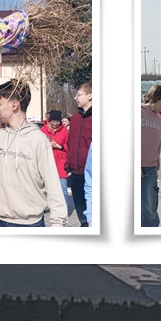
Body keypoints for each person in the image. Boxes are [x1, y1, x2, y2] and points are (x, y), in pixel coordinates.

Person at [0, 80, 67, 227]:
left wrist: (57, 223)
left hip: (30, 224)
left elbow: (53, 184)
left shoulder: (38, 139)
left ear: (14, 106)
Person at [141, 84, 161, 227]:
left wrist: (157, 160)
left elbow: (158, 140)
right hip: (139, 165)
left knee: (150, 204)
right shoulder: (139, 112)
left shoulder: (159, 118)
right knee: (141, 205)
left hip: (151, 166)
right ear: (159, 99)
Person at [66, 81, 93, 226]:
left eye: (79, 94)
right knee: (82, 215)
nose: (76, 98)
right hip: (75, 174)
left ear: (90, 96)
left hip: (92, 175)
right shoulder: (75, 118)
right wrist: (68, 167)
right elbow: (70, 144)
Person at [40, 109, 73, 216]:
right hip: (46, 161)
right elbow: (37, 145)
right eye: (53, 121)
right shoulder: (43, 130)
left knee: (62, 187)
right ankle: (44, 207)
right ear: (49, 120)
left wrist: (59, 146)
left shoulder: (65, 131)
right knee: (44, 187)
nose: (55, 123)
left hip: (61, 162)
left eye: (57, 121)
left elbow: (69, 146)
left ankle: (64, 210)